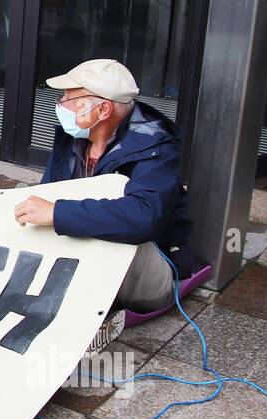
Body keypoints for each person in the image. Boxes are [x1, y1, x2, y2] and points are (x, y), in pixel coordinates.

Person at [12, 58, 204, 352]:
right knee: (27, 203)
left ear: (102, 109)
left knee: (122, 231)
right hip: (84, 262)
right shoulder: (72, 141)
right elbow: (49, 195)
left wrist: (57, 212)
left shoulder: (155, 148)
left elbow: (144, 218)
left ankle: (90, 318)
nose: (60, 104)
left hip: (149, 269)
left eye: (69, 98)